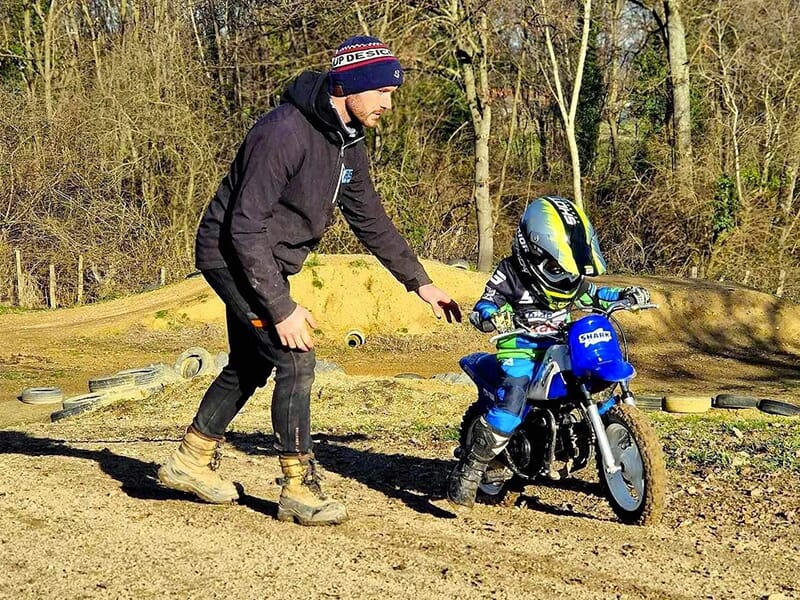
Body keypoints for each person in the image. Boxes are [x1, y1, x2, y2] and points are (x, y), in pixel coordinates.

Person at [158, 35, 461, 526]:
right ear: (350, 85)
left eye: (392, 92)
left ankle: (190, 459)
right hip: (231, 255)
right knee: (296, 358)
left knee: (252, 364)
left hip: (264, 258)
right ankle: (298, 487)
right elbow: (244, 227)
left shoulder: (349, 142)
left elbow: (371, 219)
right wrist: (281, 307)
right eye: (382, 91)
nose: (389, 102)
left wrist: (420, 282)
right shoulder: (283, 132)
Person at [446, 196, 649, 510]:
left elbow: (594, 294)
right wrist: (489, 316)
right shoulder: (511, 273)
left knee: (592, 380)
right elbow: (486, 303)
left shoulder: (569, 280)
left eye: (567, 270)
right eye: (556, 267)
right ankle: (469, 471)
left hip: (561, 345)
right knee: (513, 400)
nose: (565, 277)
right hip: (521, 349)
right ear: (533, 252)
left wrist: (624, 295)